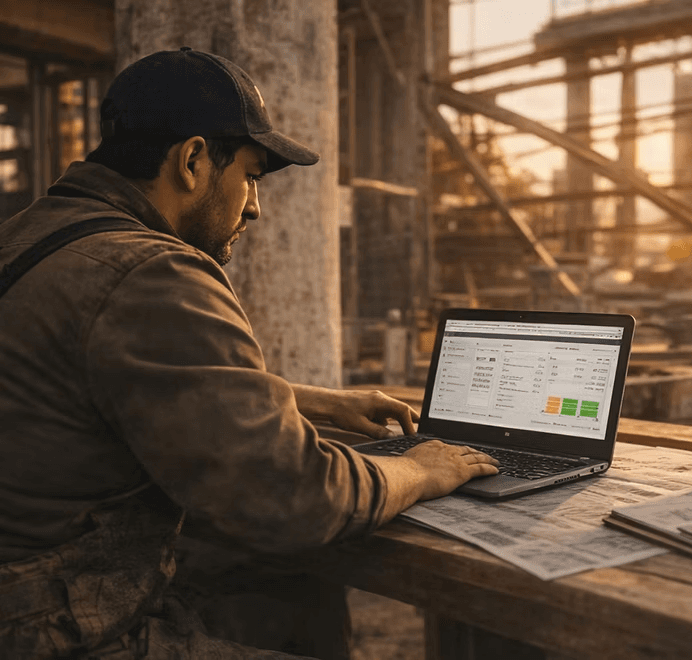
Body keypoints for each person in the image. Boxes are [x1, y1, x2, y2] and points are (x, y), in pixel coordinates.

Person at [0, 47, 498, 659]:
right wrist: (421, 468)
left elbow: (95, 382)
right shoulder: (152, 271)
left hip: (29, 586)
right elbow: (295, 496)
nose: (256, 207)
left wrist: (311, 400)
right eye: (252, 176)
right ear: (192, 160)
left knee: (284, 589)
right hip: (53, 629)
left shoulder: (27, 236)